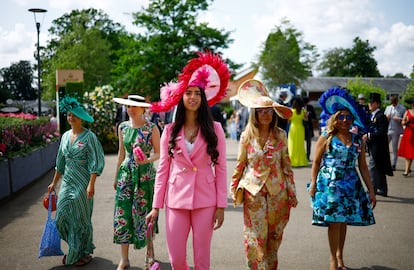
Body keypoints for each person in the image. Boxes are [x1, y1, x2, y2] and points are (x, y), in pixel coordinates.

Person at [146, 52, 230, 270]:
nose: (193, 97)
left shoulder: (216, 129)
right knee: (176, 258)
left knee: (202, 258)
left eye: (197, 93)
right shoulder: (169, 131)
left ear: (203, 99)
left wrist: (221, 205)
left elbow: (221, 169)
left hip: (206, 199)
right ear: (181, 98)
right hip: (175, 200)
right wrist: (156, 206)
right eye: (188, 93)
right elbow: (162, 170)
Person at [231, 79, 298, 269]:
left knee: (274, 238)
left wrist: (292, 192)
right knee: (255, 238)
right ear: (255, 113)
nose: (265, 115)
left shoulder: (281, 135)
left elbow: (287, 167)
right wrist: (234, 189)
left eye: (269, 110)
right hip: (254, 193)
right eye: (261, 111)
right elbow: (240, 164)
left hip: (278, 194)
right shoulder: (247, 135)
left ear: (274, 113)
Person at [308, 87, 376, 270]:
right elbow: (316, 162)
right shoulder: (326, 136)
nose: (344, 120)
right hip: (330, 184)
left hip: (351, 185)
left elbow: (362, 166)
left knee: (343, 221)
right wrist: (313, 183)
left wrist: (371, 189)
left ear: (353, 119)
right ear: (335, 118)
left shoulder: (357, 140)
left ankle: (340, 256)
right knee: (335, 222)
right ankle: (333, 259)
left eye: (348, 117)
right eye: (341, 117)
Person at [47, 96, 105, 267]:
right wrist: (53, 183)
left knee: (80, 218)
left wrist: (91, 184)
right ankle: (75, 248)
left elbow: (96, 161)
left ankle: (82, 252)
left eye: (75, 115)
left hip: (83, 182)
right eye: (69, 115)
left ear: (81, 117)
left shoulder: (89, 137)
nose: (71, 118)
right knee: (61, 217)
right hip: (67, 182)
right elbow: (60, 163)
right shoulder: (65, 136)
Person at [112, 95, 161, 270]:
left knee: (146, 215)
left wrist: (146, 160)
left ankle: (150, 255)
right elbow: (121, 153)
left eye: (133, 107)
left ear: (142, 109)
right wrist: (116, 176)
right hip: (126, 175)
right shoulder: (123, 127)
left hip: (145, 176)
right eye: (128, 106)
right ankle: (124, 259)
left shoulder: (151, 128)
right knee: (123, 215)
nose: (130, 110)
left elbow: (158, 153)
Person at [363, 93, 393, 197]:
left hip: (379, 146)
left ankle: (373, 189)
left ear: (378, 104)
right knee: (378, 168)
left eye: (372, 102)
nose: (370, 104)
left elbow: (382, 131)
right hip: (373, 145)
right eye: (369, 102)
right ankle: (383, 190)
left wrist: (369, 135)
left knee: (373, 167)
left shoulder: (381, 116)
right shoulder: (372, 115)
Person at [384, 94, 406, 170]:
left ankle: (393, 164)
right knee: (384, 147)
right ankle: (386, 163)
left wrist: (399, 119)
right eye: (392, 102)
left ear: (397, 101)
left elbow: (405, 119)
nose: (393, 104)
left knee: (394, 148)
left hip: (396, 130)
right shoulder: (388, 108)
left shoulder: (402, 108)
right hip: (387, 129)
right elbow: (383, 118)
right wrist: (387, 118)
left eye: (394, 102)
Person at [288, 96, 308, 167]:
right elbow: (306, 120)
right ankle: (301, 161)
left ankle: (293, 161)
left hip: (293, 128)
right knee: (300, 145)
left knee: (292, 145)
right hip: (300, 129)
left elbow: (289, 121)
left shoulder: (291, 111)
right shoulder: (303, 111)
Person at [398, 97, 414, 176]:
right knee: (409, 151)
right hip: (409, 132)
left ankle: (408, 169)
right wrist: (406, 122)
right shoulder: (407, 111)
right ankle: (406, 170)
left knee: (412, 152)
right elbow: (402, 122)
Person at [303, 96, 317, 161]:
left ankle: (308, 156)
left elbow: (314, 117)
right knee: (301, 143)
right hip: (301, 127)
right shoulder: (299, 107)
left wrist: (309, 114)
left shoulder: (310, 107)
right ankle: (302, 156)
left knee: (309, 142)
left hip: (308, 126)